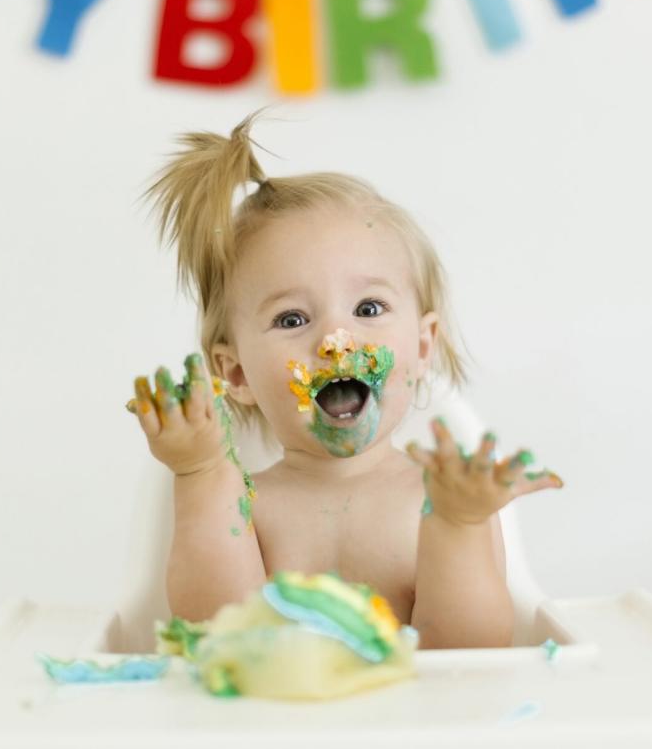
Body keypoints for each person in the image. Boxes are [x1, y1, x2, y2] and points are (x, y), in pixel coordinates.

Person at [125, 108, 562, 649]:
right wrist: (199, 472)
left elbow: (469, 654)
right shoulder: (245, 507)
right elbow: (217, 636)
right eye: (292, 319)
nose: (337, 339)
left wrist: (460, 527)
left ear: (423, 347)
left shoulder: (439, 501)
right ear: (234, 373)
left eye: (369, 308)